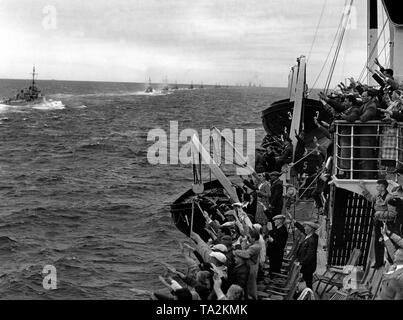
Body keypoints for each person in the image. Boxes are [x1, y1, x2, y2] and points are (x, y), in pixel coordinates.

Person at [359, 180, 395, 268]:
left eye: (378, 186)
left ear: (383, 187)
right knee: (377, 243)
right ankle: (379, 262)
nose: (376, 187)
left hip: (387, 223)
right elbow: (370, 198)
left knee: (388, 242)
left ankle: (392, 262)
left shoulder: (389, 198)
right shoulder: (378, 196)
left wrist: (380, 213)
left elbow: (393, 214)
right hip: (379, 222)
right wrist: (363, 188)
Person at [233, 229, 261, 299]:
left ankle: (253, 298)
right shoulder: (253, 244)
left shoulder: (256, 246)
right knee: (248, 285)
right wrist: (244, 242)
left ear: (253, 238)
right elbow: (243, 249)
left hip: (251, 267)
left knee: (251, 285)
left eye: (249, 237)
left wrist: (236, 251)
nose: (248, 239)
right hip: (250, 266)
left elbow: (246, 254)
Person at [295, 221, 319, 289]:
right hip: (306, 265)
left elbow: (310, 255)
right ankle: (307, 294)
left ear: (310, 229)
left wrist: (301, 263)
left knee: (308, 283)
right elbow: (301, 229)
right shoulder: (309, 235)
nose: (304, 228)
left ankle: (309, 296)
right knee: (306, 282)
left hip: (308, 266)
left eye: (306, 227)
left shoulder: (312, 239)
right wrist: (295, 222)